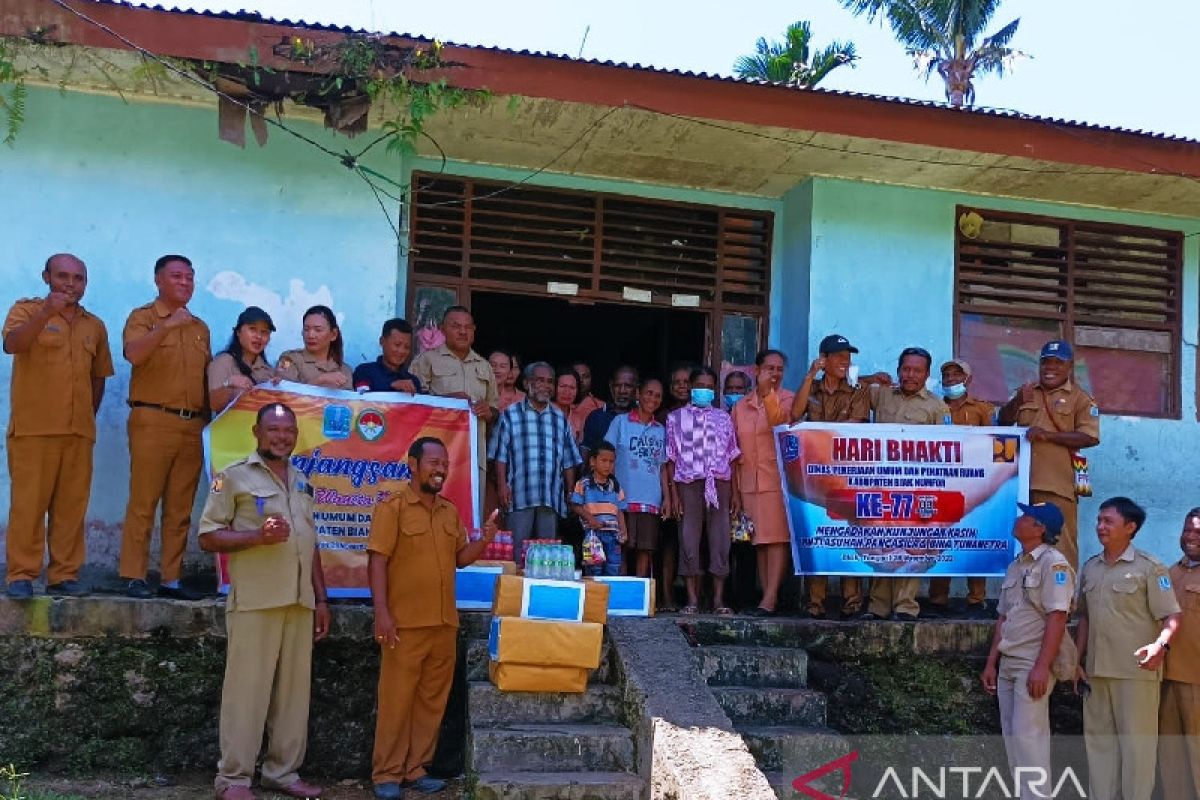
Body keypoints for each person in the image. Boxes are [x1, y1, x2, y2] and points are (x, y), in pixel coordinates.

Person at [198, 402, 330, 800]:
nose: (282, 437)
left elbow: (312, 543)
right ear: (257, 433)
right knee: (246, 693)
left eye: (288, 430)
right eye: (273, 430)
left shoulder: (303, 480)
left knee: (293, 697)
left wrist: (322, 599)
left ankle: (283, 773)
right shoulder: (233, 478)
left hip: (299, 602)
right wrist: (257, 537)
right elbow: (208, 537)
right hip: (256, 601)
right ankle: (233, 779)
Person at [368, 437, 500, 799]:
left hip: (444, 624)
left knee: (431, 701)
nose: (440, 469)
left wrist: (485, 539)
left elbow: (461, 558)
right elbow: (377, 561)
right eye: (433, 462)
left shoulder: (449, 511)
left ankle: (416, 769)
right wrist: (381, 613)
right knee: (396, 701)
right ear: (412, 464)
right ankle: (387, 774)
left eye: (444, 463)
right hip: (404, 624)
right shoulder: (392, 507)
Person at [3, 254, 114, 598]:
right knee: (29, 505)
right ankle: (21, 575)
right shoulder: (25, 311)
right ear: (46, 277)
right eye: (63, 276)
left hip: (78, 431)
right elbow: (12, 345)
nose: (70, 283)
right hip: (34, 429)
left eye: (78, 278)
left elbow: (99, 378)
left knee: (71, 507)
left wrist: (86, 417)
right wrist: (46, 313)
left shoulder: (94, 325)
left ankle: (63, 575)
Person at [1074, 497, 1181, 800]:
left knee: (1137, 751)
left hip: (1136, 673)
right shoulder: (1091, 567)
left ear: (1130, 527)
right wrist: (1077, 660)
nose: (1100, 526)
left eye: (1108, 521)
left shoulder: (1151, 568)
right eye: (1099, 520)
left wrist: (1160, 646)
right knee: (1099, 749)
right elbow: (1085, 618)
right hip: (1096, 673)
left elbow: (1172, 615)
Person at [119, 254, 211, 601]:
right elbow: (135, 355)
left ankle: (171, 578)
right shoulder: (143, 317)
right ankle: (134, 575)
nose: (185, 283)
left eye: (190, 277)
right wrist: (166, 326)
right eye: (177, 277)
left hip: (192, 425)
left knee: (180, 507)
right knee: (144, 501)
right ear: (158, 280)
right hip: (151, 419)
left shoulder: (199, 327)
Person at [981, 502, 1073, 800]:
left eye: (1026, 517)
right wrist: (991, 663)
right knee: (1013, 741)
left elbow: (1058, 618)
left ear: (1040, 528)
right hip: (1009, 662)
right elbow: (1003, 619)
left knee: (1030, 743)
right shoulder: (1017, 564)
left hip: (1031, 663)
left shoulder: (1054, 564)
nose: (1018, 520)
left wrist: (1042, 667)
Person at [863, 346, 949, 622]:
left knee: (913, 544)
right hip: (883, 484)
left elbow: (948, 447)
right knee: (882, 542)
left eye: (917, 370)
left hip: (918, 487)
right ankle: (877, 607)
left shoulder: (938, 406)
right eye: (906, 369)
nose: (910, 375)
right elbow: (853, 388)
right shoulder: (881, 394)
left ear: (927, 374)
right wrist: (870, 378)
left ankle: (905, 607)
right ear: (899, 369)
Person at [998, 340, 1100, 573]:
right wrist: (1017, 401)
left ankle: (1064, 605)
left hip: (1057, 485)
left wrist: (1048, 436)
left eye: (1057, 363)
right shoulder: (1026, 392)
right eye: (1046, 362)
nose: (1050, 367)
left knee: (1060, 546)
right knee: (1024, 546)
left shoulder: (1080, 399)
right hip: (1020, 485)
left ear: (1070, 367)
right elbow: (1002, 422)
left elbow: (1089, 437)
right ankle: (1026, 602)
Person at [790, 334, 872, 619]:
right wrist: (810, 374)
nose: (845, 362)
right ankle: (815, 602)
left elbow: (856, 424)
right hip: (816, 473)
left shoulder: (858, 390)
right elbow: (795, 413)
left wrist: (820, 431)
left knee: (851, 530)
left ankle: (852, 601)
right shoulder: (811, 387)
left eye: (847, 357)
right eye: (838, 357)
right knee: (819, 530)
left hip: (849, 473)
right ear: (824, 359)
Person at [666, 366, 741, 616]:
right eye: (701, 386)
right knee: (689, 539)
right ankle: (692, 600)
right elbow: (670, 459)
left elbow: (732, 456)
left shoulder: (724, 418)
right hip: (688, 484)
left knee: (720, 540)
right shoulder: (675, 418)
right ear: (691, 387)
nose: (705, 391)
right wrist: (673, 495)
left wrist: (736, 494)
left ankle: (719, 600)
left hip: (719, 484)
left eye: (710, 387)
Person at [489, 362, 583, 559]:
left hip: (550, 496)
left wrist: (570, 491)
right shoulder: (510, 414)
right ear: (526, 383)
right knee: (516, 551)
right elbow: (500, 455)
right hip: (520, 494)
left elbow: (568, 459)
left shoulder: (559, 418)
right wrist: (502, 486)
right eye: (539, 380)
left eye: (550, 381)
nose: (545, 386)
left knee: (546, 554)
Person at [410, 306, 498, 511]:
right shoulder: (427, 360)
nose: (462, 331)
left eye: (468, 327)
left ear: (474, 331)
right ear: (442, 329)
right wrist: (447, 403)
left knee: (469, 514)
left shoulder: (484, 366)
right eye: (456, 326)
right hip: (436, 457)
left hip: (474, 455)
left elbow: (495, 408)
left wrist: (489, 411)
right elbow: (413, 406)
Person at [928, 358, 995, 619]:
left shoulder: (982, 409)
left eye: (957, 376)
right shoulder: (933, 406)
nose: (951, 380)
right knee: (938, 537)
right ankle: (937, 598)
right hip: (940, 482)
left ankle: (977, 598)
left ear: (968, 380)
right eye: (946, 376)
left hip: (972, 482)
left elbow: (994, 442)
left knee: (974, 537)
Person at [732, 349, 794, 616]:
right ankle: (766, 599)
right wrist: (735, 491)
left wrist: (769, 395)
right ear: (756, 371)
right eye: (769, 368)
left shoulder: (789, 400)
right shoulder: (740, 406)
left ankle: (769, 599)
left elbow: (779, 423)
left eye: (780, 369)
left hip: (776, 481)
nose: (775, 373)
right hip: (748, 481)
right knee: (759, 541)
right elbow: (733, 450)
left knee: (776, 540)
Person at [605, 377, 668, 580]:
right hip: (623, 499)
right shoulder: (620, 422)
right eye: (649, 393)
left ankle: (639, 596)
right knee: (621, 547)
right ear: (638, 394)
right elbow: (607, 456)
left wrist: (667, 498)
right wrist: (609, 491)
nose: (653, 398)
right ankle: (620, 595)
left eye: (658, 395)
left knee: (645, 550)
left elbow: (663, 467)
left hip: (650, 500)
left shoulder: (660, 430)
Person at [1159, 509, 1200, 800]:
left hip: (1197, 681)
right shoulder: (1170, 573)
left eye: (1197, 532)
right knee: (1170, 757)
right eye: (1187, 530)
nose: (1190, 537)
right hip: (1167, 680)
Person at [571, 441, 628, 577]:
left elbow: (619, 510)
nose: (608, 465)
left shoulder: (615, 486)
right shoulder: (583, 484)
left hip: (613, 536)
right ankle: (594, 597)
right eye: (603, 460)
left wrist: (623, 528)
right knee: (594, 569)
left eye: (611, 462)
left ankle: (610, 597)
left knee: (613, 567)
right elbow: (575, 506)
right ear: (592, 461)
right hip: (592, 535)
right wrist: (590, 518)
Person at [208, 307, 276, 413]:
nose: (259, 336)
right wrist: (228, 384)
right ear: (238, 332)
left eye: (264, 332)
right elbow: (214, 405)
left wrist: (278, 389)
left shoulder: (268, 371)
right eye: (252, 329)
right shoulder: (222, 363)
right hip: (230, 428)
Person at [276, 305, 353, 389]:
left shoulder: (345, 370)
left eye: (318, 330)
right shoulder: (288, 359)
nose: (311, 335)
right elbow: (283, 393)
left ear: (333, 334)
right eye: (306, 329)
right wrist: (321, 380)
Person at [580, 366, 638, 458]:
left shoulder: (644, 420)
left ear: (637, 389)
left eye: (628, 386)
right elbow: (585, 454)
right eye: (617, 385)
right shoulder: (597, 417)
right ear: (611, 387)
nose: (622, 391)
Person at [353, 318, 423, 394]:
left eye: (407, 347)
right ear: (382, 341)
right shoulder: (364, 371)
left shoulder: (413, 382)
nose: (401, 351)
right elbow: (362, 398)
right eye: (397, 345)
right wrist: (391, 385)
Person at [571, 360, 606, 436]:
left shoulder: (601, 406)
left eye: (585, 377)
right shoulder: (560, 405)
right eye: (577, 376)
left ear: (591, 379)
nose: (581, 380)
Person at [552, 369, 584, 441]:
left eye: (572, 388)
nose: (567, 392)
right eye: (563, 386)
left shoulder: (578, 419)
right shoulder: (542, 412)